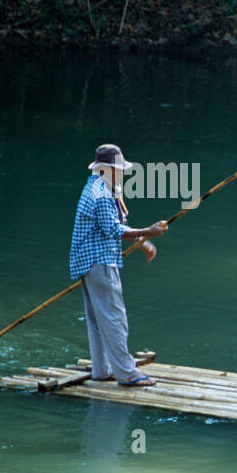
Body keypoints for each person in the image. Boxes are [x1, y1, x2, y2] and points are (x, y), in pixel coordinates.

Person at [69, 143, 168, 387]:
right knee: (114, 317)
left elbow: (112, 224)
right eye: (119, 169)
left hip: (89, 262)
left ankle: (102, 370)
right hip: (99, 263)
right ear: (107, 170)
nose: (123, 173)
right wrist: (149, 232)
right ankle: (127, 373)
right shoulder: (102, 195)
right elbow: (113, 229)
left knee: (98, 319)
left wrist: (142, 241)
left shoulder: (97, 187)